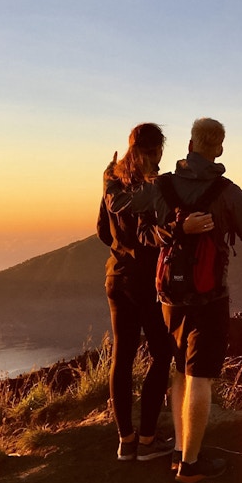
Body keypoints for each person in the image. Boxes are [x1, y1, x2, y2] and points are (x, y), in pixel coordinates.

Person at [106, 117, 242, 483]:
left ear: (189, 144)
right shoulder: (228, 193)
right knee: (200, 375)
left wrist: (113, 175)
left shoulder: (160, 185)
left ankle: (179, 449)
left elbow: (122, 207)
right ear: (217, 148)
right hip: (209, 296)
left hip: (168, 295)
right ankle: (189, 464)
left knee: (180, 370)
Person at [97, 122, 175, 461]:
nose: (158, 158)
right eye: (155, 152)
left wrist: (121, 249)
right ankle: (146, 440)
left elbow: (102, 228)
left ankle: (125, 441)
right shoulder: (153, 187)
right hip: (144, 281)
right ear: (148, 150)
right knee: (161, 353)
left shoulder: (112, 178)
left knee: (123, 355)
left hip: (116, 277)